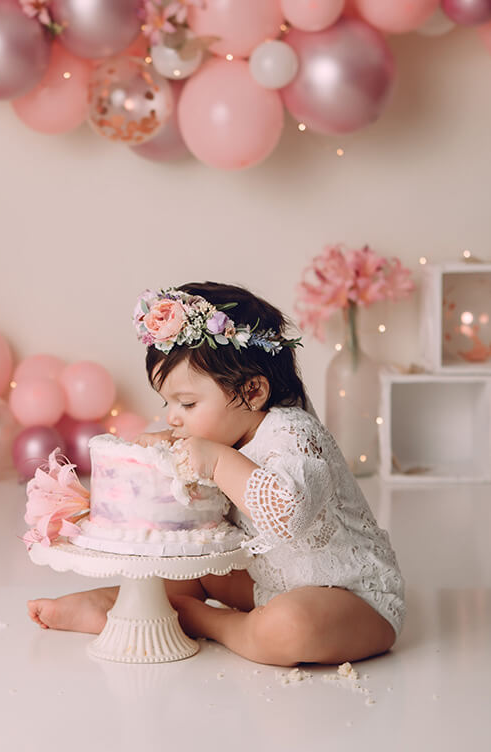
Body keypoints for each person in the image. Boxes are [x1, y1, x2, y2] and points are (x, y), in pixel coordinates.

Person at [27, 283, 404, 666]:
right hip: (267, 583)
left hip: (351, 598)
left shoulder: (294, 434)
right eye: (167, 402)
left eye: (187, 403)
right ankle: (128, 605)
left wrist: (217, 462)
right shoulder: (226, 432)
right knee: (174, 572)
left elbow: (288, 515)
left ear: (253, 391)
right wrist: (163, 458)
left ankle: (199, 619)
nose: (173, 417)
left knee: (291, 627)